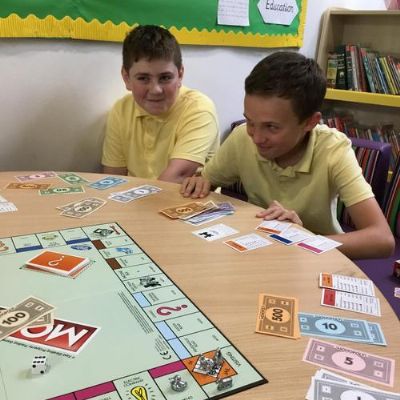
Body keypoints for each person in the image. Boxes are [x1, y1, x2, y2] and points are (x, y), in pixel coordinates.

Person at [180, 51, 394, 260]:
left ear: (310, 122)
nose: (256, 137)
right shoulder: (242, 137)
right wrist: (199, 182)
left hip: (316, 259)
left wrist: (301, 239)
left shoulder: (334, 150)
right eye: (251, 122)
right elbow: (206, 180)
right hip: (260, 252)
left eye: (271, 127)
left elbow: (382, 240)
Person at [102, 25, 219, 183]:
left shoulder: (199, 109)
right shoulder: (120, 110)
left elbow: (175, 179)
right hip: (141, 196)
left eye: (165, 78)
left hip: (182, 197)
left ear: (180, 75)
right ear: (126, 78)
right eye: (143, 78)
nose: (156, 90)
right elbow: (113, 179)